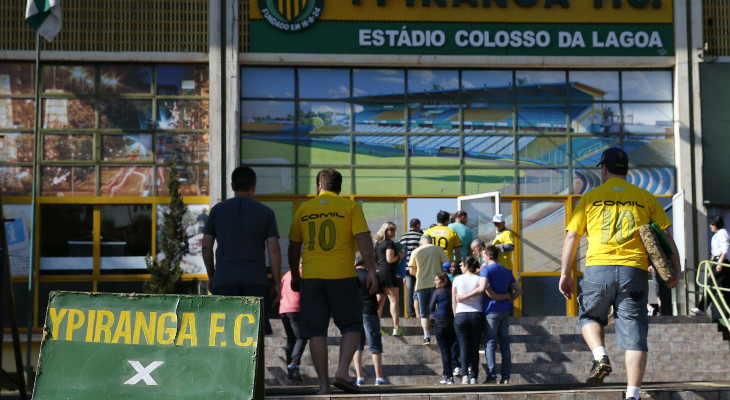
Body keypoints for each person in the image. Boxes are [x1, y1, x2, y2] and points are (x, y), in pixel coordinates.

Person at [559, 147, 681, 400]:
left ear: (604, 169)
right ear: (626, 169)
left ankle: (600, 356)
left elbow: (572, 236)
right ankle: (633, 394)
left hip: (597, 268)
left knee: (590, 316)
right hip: (633, 271)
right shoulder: (645, 196)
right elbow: (666, 235)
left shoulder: (590, 197)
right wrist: (675, 269)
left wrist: (565, 274)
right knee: (634, 333)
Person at [287, 168, 378, 395]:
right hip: (342, 275)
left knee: (316, 331)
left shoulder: (303, 210)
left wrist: (295, 275)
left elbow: (293, 246)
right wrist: (372, 271)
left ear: (319, 186)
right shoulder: (349, 207)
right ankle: (342, 371)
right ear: (339, 187)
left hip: (311, 277)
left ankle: (324, 386)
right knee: (352, 325)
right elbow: (363, 238)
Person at [202, 166, 281, 336]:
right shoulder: (265, 212)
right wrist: (276, 282)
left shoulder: (217, 210)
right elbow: (273, 249)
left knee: (225, 332)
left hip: (224, 280)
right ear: (254, 186)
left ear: (232, 186)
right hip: (255, 280)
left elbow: (206, 246)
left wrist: (211, 275)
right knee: (253, 334)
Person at [461, 245, 521, 384]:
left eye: (483, 257)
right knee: (505, 345)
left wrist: (464, 297)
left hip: (491, 311)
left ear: (489, 256)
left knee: (491, 344)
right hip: (505, 311)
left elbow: (482, 288)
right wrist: (509, 299)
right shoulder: (506, 271)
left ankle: (492, 376)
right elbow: (518, 290)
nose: (482, 259)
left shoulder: (486, 270)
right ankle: (505, 377)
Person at [353, 255, 392, 386]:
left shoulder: (350, 276)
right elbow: (380, 297)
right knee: (374, 345)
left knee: (357, 346)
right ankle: (379, 377)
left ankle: (359, 377)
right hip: (369, 312)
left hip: (355, 313)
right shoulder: (372, 276)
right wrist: (378, 308)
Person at [409, 234, 449, 345]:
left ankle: (426, 336)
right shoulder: (438, 249)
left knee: (423, 312)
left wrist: (420, 275)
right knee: (438, 309)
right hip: (437, 283)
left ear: (421, 242)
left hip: (421, 284)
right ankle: (440, 333)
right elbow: (446, 264)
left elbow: (411, 271)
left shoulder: (416, 251)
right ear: (431, 241)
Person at [451, 256, 484, 385]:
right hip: (476, 313)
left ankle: (465, 375)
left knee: (463, 346)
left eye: (461, 264)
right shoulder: (479, 279)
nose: (459, 266)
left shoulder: (457, 279)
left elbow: (454, 301)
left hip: (460, 314)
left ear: (465, 265)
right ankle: (474, 376)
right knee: (474, 346)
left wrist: (456, 315)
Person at [692, 216, 730, 320]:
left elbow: (725, 249)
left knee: (710, 285)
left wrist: (719, 264)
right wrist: (712, 267)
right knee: (726, 289)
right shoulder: (716, 235)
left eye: (711, 224)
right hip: (715, 261)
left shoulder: (722, 232)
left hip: (721, 262)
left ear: (716, 224)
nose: (710, 226)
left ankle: (702, 308)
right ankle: (728, 314)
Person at [374, 221, 405, 336]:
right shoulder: (389, 243)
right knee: (394, 301)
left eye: (395, 230)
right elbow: (390, 259)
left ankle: (376, 327)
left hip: (379, 272)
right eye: (392, 230)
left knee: (380, 301)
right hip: (388, 272)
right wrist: (400, 256)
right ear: (386, 230)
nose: (394, 232)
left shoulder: (377, 243)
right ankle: (396, 328)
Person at [429, 272, 457, 385]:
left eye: (436, 280)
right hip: (452, 322)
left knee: (444, 351)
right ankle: (447, 374)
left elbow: (430, 307)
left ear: (442, 281)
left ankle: (448, 376)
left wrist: (434, 315)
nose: (435, 282)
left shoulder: (437, 292)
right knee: (450, 350)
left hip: (440, 322)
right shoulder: (452, 292)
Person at [280, 268, 306, 381]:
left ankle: (291, 371)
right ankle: (294, 363)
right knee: (302, 337)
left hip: (283, 310)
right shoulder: (302, 273)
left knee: (291, 339)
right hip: (295, 309)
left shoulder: (285, 275)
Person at [400, 218, 423, 319]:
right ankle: (420, 312)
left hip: (406, 269)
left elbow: (401, 254)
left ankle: (411, 313)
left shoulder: (403, 237)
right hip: (418, 268)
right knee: (418, 290)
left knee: (409, 291)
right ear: (417, 225)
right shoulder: (420, 237)